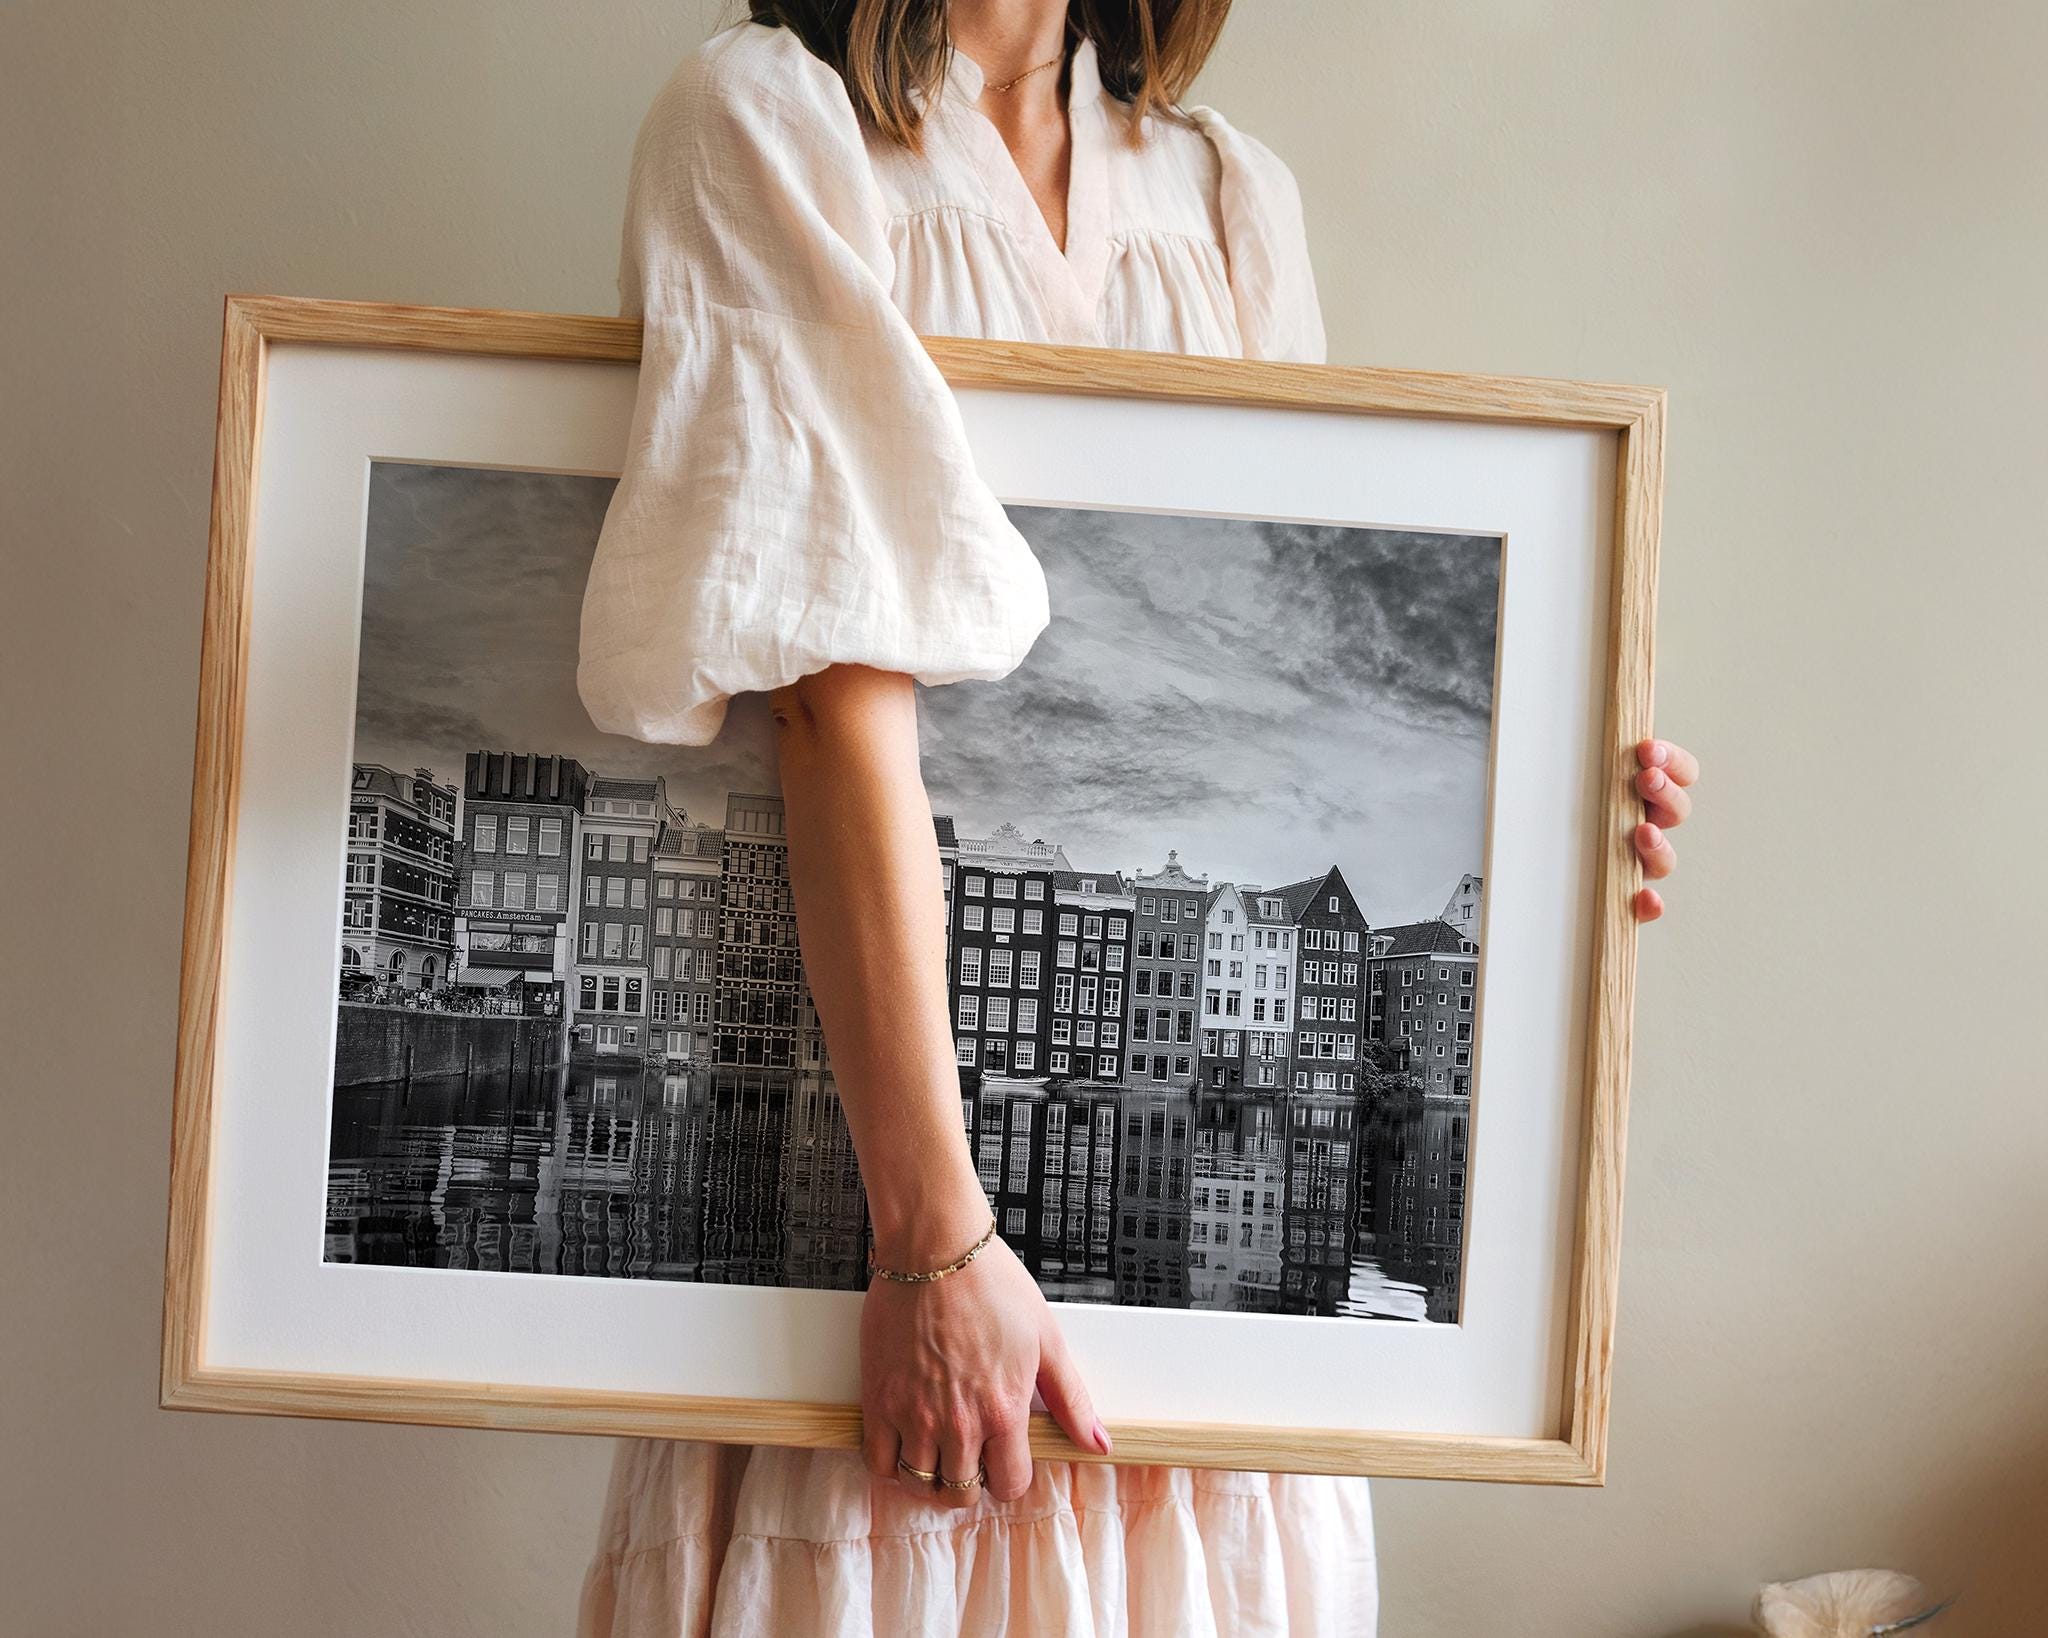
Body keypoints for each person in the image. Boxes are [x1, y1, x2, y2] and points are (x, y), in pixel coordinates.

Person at [572, 4, 1699, 1634]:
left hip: (1211, 1422)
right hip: (897, 1275)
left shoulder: (1235, 204)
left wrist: (1544, 789)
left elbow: (1314, 640)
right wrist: (935, 1246)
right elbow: (822, 677)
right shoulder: (761, 119)